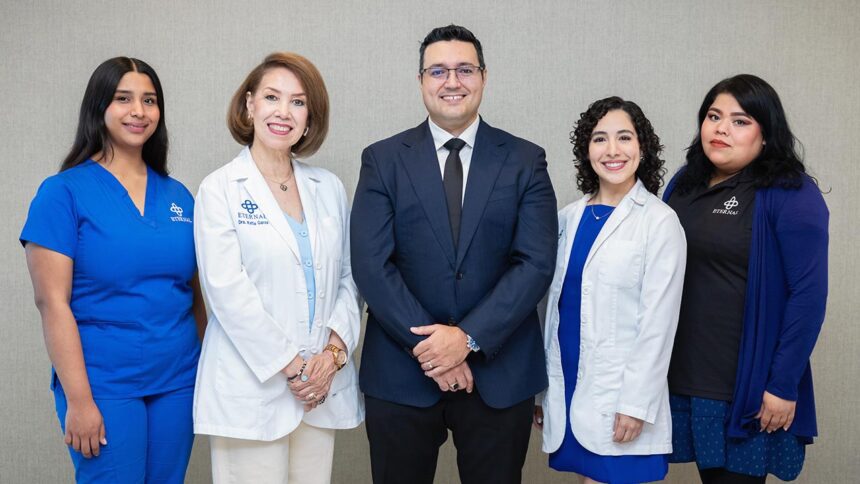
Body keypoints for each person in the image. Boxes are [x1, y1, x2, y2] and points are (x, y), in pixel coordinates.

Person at [350, 25, 558, 484]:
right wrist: (433, 350)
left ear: (484, 76)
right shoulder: (382, 159)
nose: (452, 81)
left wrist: (467, 339)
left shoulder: (525, 160)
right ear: (421, 80)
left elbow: (535, 262)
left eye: (465, 69)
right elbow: (371, 264)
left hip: (498, 373)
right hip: (402, 372)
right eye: (438, 71)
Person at [20, 57, 204, 483]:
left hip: (178, 380)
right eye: (124, 98)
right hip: (102, 384)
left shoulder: (179, 196)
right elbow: (52, 303)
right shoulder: (62, 193)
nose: (139, 111)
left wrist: (208, 373)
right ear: (99, 106)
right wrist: (79, 401)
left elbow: (196, 296)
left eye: (149, 100)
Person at [193, 52, 363, 484]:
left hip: (320, 389)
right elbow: (226, 292)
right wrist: (296, 368)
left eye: (298, 102)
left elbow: (350, 278)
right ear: (249, 105)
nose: (283, 111)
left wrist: (332, 357)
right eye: (272, 97)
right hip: (254, 388)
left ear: (310, 118)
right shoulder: (220, 189)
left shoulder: (329, 188)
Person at [664, 74, 829, 483]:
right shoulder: (683, 184)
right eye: (714, 116)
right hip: (685, 379)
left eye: (740, 121)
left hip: (748, 388)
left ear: (766, 134)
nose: (721, 128)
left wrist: (782, 385)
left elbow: (808, 296)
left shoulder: (791, 193)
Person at [535, 97, 687, 484]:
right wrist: (541, 394)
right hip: (568, 384)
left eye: (624, 137)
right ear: (586, 151)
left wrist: (637, 403)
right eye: (600, 139)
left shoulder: (659, 222)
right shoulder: (567, 219)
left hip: (621, 394)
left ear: (642, 147)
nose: (613, 150)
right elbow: (548, 312)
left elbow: (659, 325)